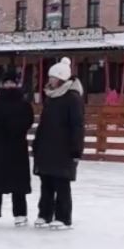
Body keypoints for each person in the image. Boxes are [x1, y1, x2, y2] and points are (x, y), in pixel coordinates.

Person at [33, 58, 86, 230]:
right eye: (50, 77)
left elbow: (77, 126)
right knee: (46, 181)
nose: (50, 81)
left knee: (61, 182)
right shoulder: (51, 96)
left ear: (62, 79)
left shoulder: (72, 98)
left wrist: (76, 150)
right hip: (47, 147)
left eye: (53, 78)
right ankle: (45, 214)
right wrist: (37, 143)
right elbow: (44, 123)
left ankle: (64, 217)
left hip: (64, 148)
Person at [0, 69, 34, 227]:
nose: (9, 85)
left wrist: (17, 127)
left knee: (18, 182)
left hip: (17, 145)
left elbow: (29, 119)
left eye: (12, 83)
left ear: (17, 84)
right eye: (7, 83)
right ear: (2, 84)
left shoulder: (23, 102)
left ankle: (20, 214)